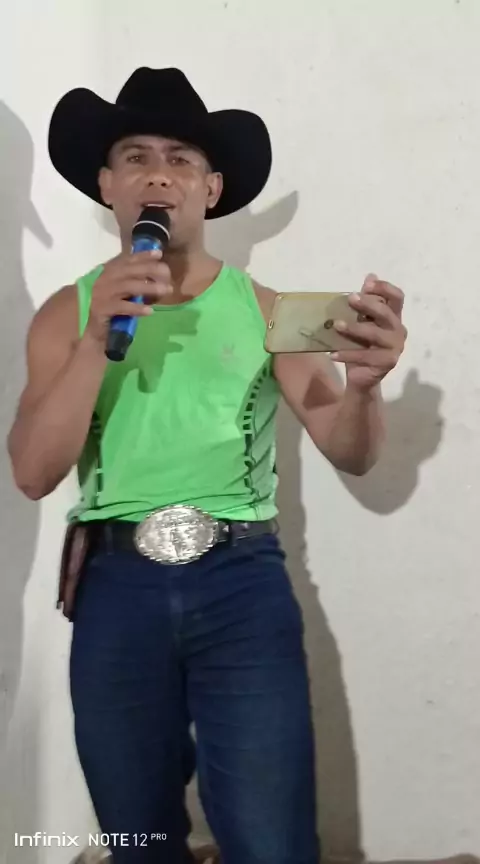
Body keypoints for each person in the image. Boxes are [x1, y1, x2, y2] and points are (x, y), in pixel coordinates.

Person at [7, 67, 407, 864]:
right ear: (107, 186)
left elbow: (352, 452)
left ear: (212, 188)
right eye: (136, 157)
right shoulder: (66, 313)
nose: (159, 174)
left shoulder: (268, 310)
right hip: (114, 587)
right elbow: (32, 472)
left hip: (241, 586)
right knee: (137, 835)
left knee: (271, 839)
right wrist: (96, 339)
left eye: (181, 159)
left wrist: (364, 389)